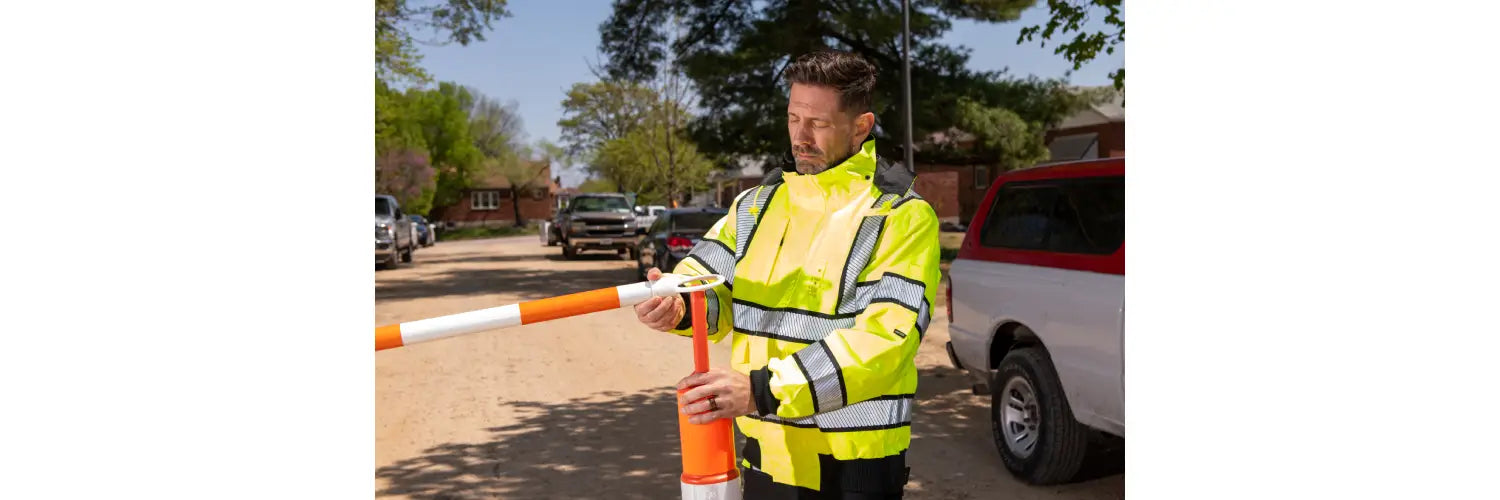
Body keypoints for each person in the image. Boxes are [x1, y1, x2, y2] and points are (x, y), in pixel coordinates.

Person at [635, 49, 941, 499]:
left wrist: (763, 391)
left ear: (861, 126)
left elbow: (884, 341)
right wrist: (677, 305)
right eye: (793, 117)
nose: (800, 135)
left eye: (817, 123)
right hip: (767, 453)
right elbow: (709, 287)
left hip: (853, 463)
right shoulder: (758, 205)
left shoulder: (899, 216)